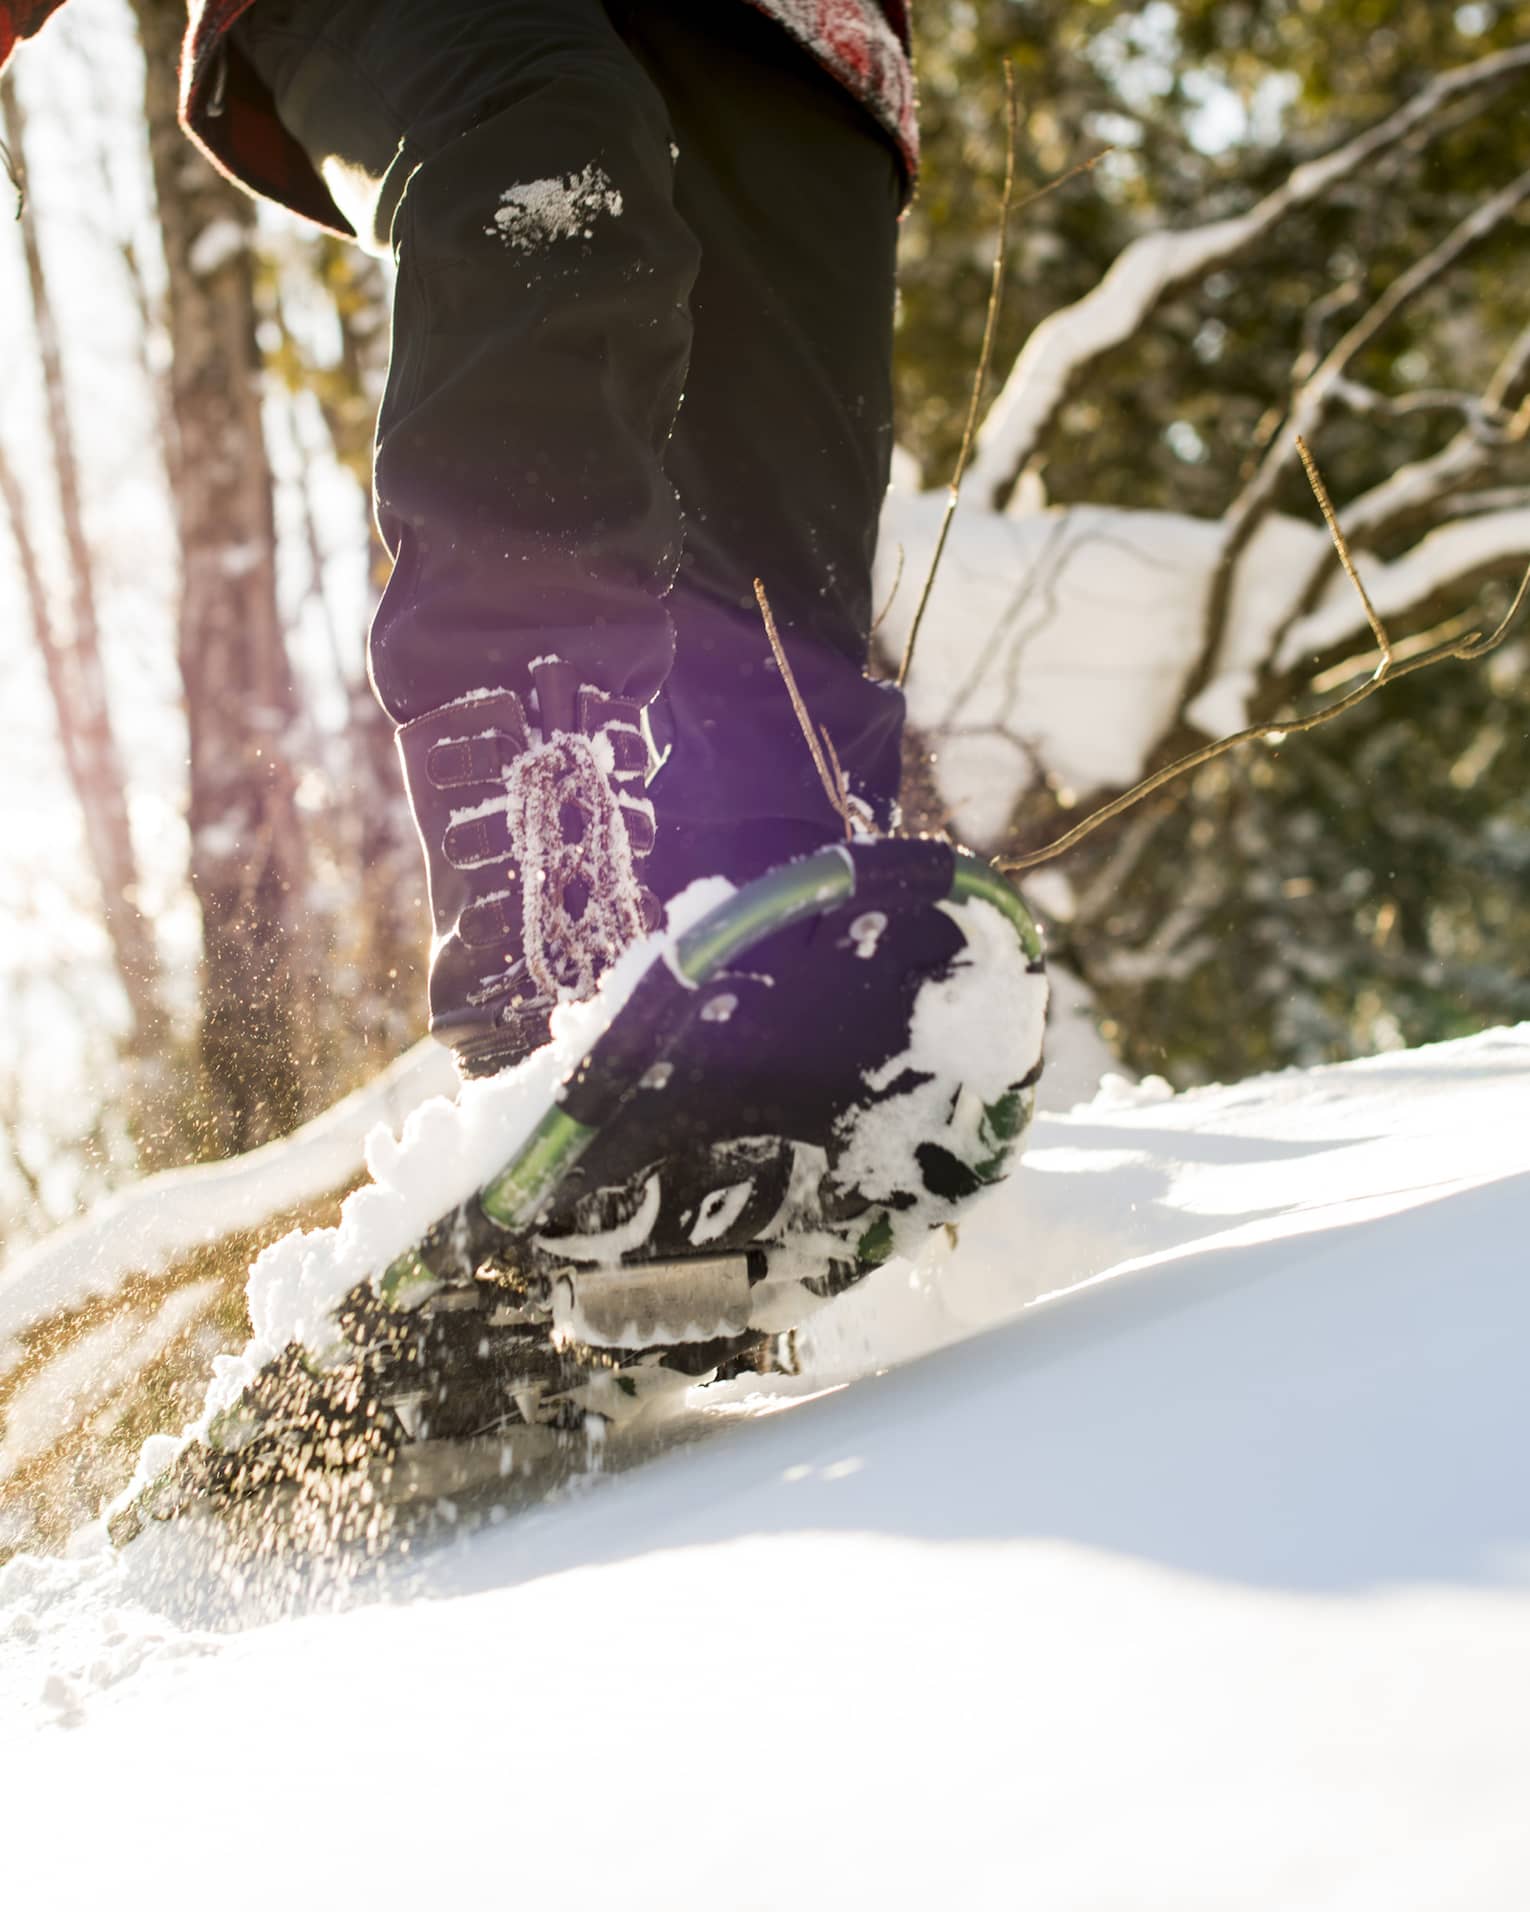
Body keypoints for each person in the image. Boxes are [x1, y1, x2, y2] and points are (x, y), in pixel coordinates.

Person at [1, 0, 919, 1079]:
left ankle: (770, 1005)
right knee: (550, 161)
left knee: (778, 522)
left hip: (797, 40)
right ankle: (547, 898)